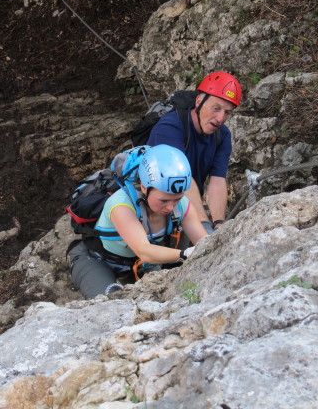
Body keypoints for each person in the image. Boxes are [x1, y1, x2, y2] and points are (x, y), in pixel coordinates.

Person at [68, 145, 209, 299]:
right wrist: (185, 254)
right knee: (109, 303)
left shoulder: (181, 205)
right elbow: (144, 251)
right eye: (164, 200)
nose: (170, 207)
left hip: (141, 265)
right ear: (144, 187)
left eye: (177, 199)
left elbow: (205, 243)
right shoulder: (121, 205)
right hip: (97, 259)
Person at [147, 71, 242, 234]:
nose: (220, 118)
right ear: (199, 101)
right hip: (155, 206)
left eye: (227, 112)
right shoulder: (170, 127)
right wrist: (203, 224)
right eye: (216, 108)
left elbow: (218, 180)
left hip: (183, 203)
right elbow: (182, 178)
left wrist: (219, 225)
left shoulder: (222, 135)